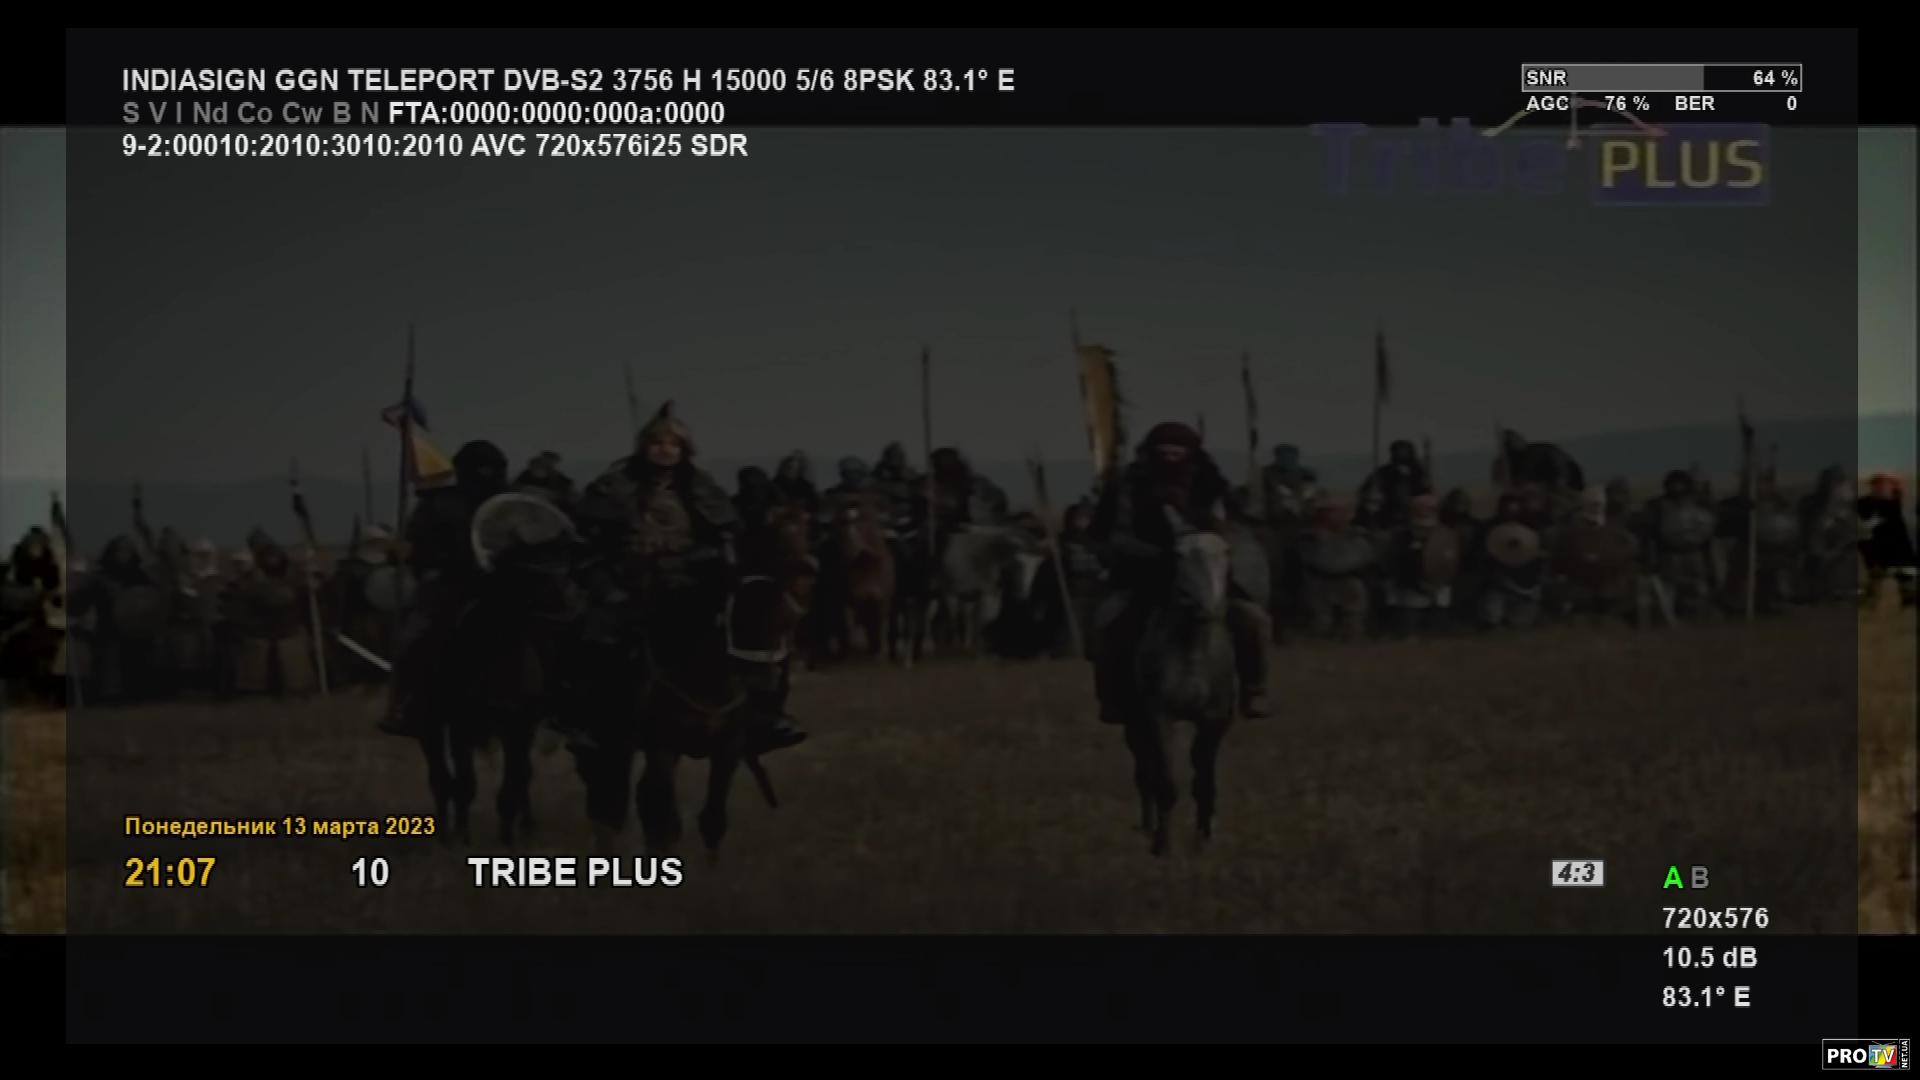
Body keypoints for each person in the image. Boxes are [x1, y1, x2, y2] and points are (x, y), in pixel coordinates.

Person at [575, 405, 805, 753]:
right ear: (644, 446)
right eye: (657, 442)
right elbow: (590, 539)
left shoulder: (701, 486)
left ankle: (766, 716)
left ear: (684, 449)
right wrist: (609, 579)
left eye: (673, 444)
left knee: (757, 627)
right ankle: (593, 723)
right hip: (627, 583)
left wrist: (711, 560)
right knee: (602, 641)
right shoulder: (613, 486)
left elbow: (726, 531)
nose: (664, 450)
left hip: (691, 583)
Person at [1088, 421, 1273, 722]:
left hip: (1207, 574)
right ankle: (1113, 697)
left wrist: (1216, 544)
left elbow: (1235, 527)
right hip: (1144, 576)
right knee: (1108, 621)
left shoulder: (1211, 482)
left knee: (1254, 620)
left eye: (1177, 453)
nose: (1170, 459)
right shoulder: (1127, 485)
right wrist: (1149, 555)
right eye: (1164, 453)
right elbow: (1109, 533)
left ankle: (1255, 689)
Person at [379, 440, 512, 734]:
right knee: (413, 638)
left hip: (508, 586)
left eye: (490, 468)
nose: (485, 475)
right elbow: (416, 547)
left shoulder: (513, 503)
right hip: (452, 585)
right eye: (480, 469)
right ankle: (407, 705)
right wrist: (408, 553)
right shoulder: (439, 504)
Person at [1638, 469, 1719, 622]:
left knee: (1698, 585)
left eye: (1680, 484)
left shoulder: (1701, 503)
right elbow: (1649, 531)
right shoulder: (1658, 505)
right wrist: (1649, 555)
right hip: (1669, 552)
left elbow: (1710, 524)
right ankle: (1669, 617)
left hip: (1694, 551)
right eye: (1674, 484)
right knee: (1669, 586)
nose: (1677, 487)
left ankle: (1699, 615)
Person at [1858, 474, 1918, 607]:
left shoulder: (1895, 502)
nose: (1881, 488)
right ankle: (1870, 601)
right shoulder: (1864, 502)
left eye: (1885, 485)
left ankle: (1909, 599)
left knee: (1905, 574)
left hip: (1899, 547)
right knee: (1875, 575)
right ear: (1872, 487)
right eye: (1878, 485)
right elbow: (1862, 524)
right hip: (1874, 546)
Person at [1359, 439, 1432, 530]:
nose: (1402, 454)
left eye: (1404, 451)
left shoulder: (1418, 473)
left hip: (1413, 516)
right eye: (1399, 451)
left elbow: (1426, 494)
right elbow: (1367, 492)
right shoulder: (1383, 472)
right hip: (1387, 515)